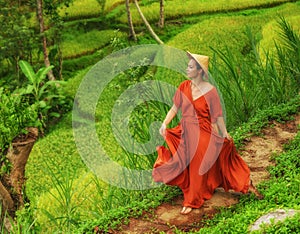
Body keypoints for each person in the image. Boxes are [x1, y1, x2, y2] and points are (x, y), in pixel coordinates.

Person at [152, 51, 263, 215]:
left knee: (198, 164)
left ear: (199, 71)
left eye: (190, 67)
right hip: (185, 131)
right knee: (182, 163)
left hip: (203, 132)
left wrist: (224, 133)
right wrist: (164, 123)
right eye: (187, 66)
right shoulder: (183, 86)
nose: (187, 69)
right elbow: (174, 108)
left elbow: (217, 116)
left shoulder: (210, 91)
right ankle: (199, 189)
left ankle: (192, 200)